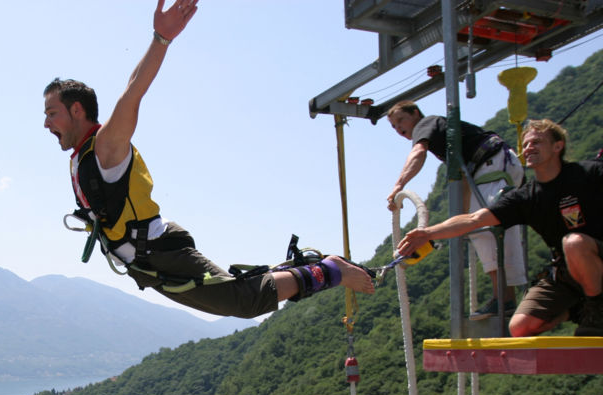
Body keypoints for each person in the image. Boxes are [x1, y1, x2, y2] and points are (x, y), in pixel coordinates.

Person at [42, 0, 374, 319]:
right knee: (239, 296)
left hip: (160, 253)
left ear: (77, 110)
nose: (46, 123)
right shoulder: (82, 157)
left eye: (52, 113)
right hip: (147, 262)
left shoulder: (105, 148)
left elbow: (133, 92)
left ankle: (330, 270)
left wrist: (161, 39)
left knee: (244, 302)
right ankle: (310, 268)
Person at [397, 119, 603, 337]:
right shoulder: (526, 196)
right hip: (566, 271)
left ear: (557, 146)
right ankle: (576, 311)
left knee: (574, 243)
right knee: (519, 328)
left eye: (537, 142)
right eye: (525, 144)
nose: (529, 148)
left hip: (594, 255)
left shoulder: (588, 174)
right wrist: (428, 233)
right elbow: (475, 219)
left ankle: (597, 312)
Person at [386, 101, 527, 320]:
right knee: (490, 227)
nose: (399, 129)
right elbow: (463, 179)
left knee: (485, 229)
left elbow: (418, 152)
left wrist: (398, 186)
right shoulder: (447, 138)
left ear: (415, 113)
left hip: (493, 163)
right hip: (501, 163)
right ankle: (506, 297)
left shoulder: (426, 124)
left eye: (401, 120)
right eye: (394, 127)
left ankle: (504, 298)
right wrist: (456, 225)